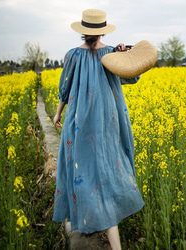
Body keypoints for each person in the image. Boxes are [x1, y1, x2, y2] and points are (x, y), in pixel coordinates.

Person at [53, 9, 145, 250]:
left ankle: (82, 220)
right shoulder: (111, 53)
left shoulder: (72, 55)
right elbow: (132, 75)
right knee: (107, 167)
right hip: (108, 120)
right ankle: (115, 243)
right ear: (103, 30)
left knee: (80, 166)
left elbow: (65, 87)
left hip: (79, 119)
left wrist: (57, 113)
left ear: (82, 32)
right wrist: (125, 54)